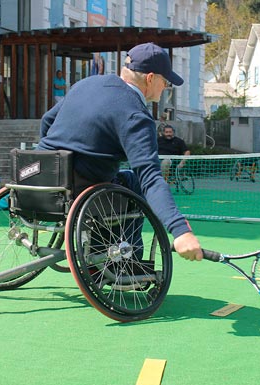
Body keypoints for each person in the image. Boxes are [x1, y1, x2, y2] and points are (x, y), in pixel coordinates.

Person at [38, 42, 203, 261]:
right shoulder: (136, 115)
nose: (165, 88)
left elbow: (47, 119)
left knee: (117, 179)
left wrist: (52, 154)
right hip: (82, 191)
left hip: (38, 179)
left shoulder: (86, 84)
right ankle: (125, 261)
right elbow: (150, 178)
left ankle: (100, 251)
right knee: (133, 184)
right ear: (150, 78)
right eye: (165, 81)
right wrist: (180, 230)